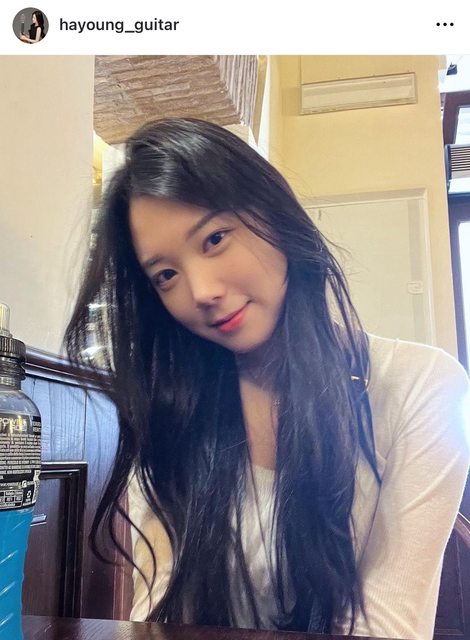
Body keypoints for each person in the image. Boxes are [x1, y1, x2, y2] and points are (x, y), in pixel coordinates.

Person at [64, 117, 470, 639]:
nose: (201, 291)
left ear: (275, 218)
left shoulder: (422, 386)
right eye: (166, 275)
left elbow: (387, 623)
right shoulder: (175, 409)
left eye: (214, 238)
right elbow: (162, 607)